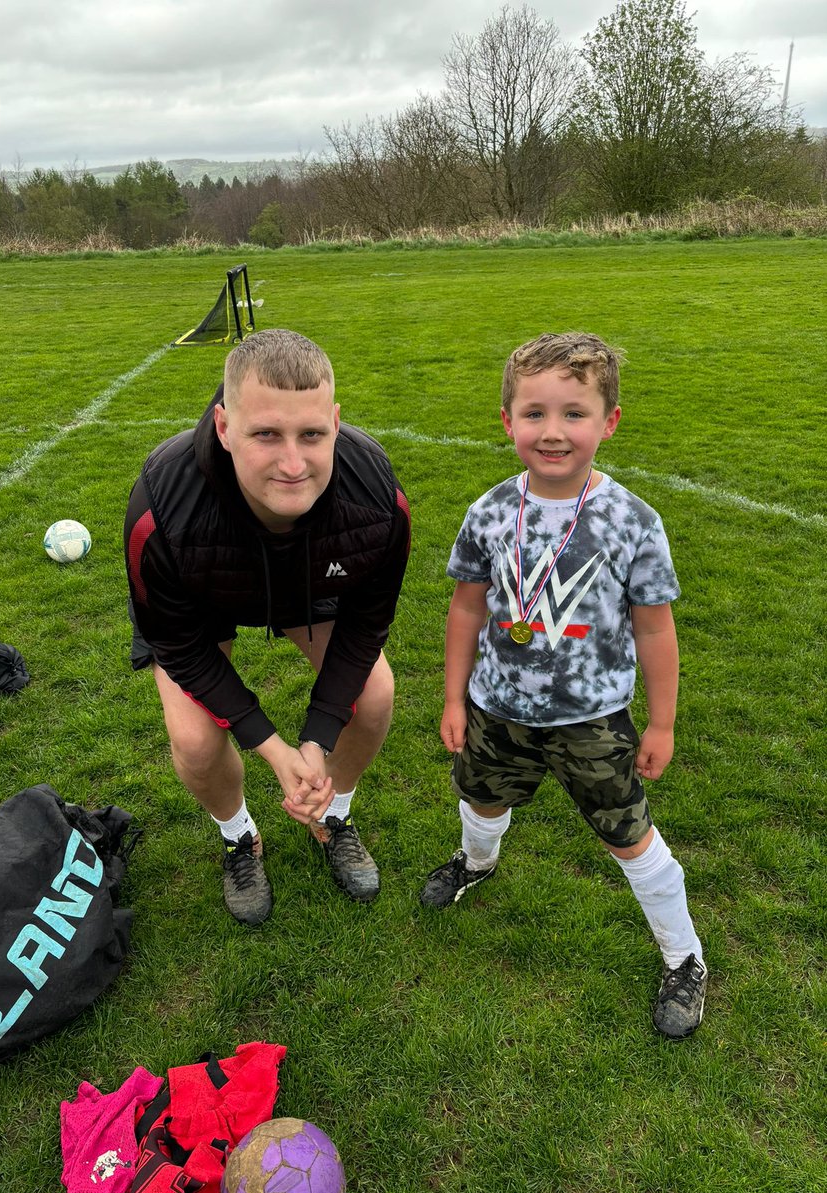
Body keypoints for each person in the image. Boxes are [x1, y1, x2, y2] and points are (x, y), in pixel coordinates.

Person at [419, 332, 707, 1039]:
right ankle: (476, 863)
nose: (553, 432)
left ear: (609, 421)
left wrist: (662, 724)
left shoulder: (633, 522)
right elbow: (465, 607)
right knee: (481, 800)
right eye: (534, 413)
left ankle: (685, 957)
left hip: (593, 721)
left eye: (574, 414)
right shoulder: (488, 512)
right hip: (496, 710)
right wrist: (455, 697)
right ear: (507, 420)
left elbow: (654, 629)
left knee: (630, 838)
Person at [125, 328, 410, 927]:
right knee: (197, 741)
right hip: (208, 595)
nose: (292, 462)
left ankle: (330, 814)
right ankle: (238, 837)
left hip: (308, 586)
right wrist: (272, 745)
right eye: (265, 434)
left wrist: (315, 740)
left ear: (335, 421)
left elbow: (366, 624)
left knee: (376, 694)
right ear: (225, 428)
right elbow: (177, 641)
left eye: (312, 434)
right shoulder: (163, 505)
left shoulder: (376, 495)